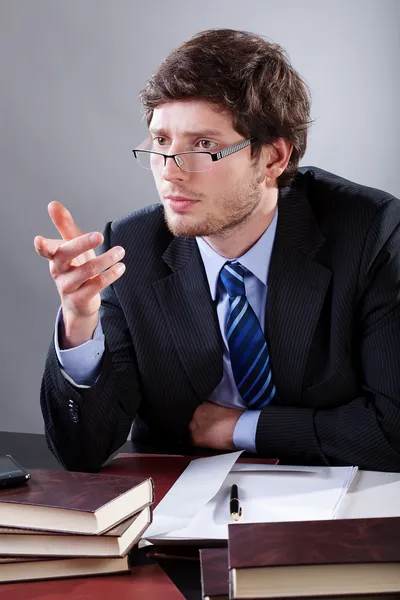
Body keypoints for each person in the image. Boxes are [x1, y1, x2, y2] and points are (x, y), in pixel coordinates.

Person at [35, 28, 400, 474]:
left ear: (272, 159)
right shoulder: (133, 251)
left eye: (203, 145)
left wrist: (240, 429)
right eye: (162, 141)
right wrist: (79, 321)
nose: (172, 171)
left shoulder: (370, 231)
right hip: (181, 520)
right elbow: (81, 451)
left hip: (337, 517)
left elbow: (393, 431)